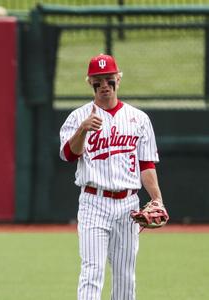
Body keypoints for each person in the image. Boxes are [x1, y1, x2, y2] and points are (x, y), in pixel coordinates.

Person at [59, 54, 164, 300]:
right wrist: (83, 130)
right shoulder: (78, 117)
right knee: (92, 271)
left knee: (126, 275)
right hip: (94, 202)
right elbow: (67, 155)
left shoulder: (139, 119)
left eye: (109, 79)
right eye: (98, 81)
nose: (104, 85)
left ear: (118, 79)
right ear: (90, 83)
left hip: (128, 204)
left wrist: (157, 199)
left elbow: (146, 164)